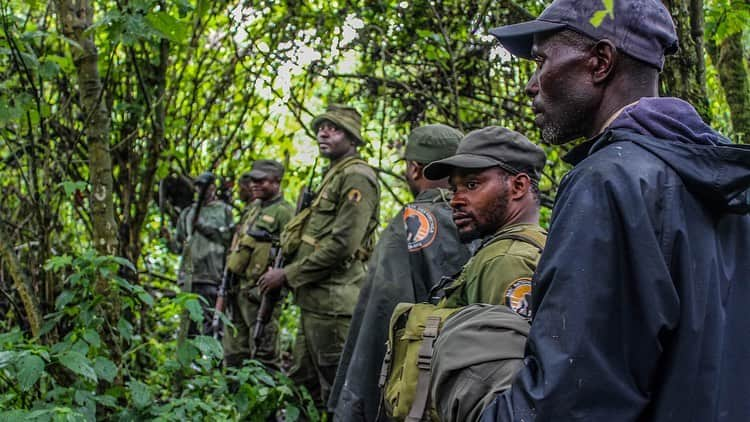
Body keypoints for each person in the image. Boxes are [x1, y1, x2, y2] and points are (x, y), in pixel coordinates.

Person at [481, 0, 750, 420]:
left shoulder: (610, 182)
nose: (532, 85)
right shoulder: (722, 178)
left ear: (600, 62)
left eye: (541, 61)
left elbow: (571, 399)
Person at [329, 124, 473, 421]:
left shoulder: (409, 223)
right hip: (464, 380)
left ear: (415, 168)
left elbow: (380, 316)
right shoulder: (480, 219)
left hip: (408, 388)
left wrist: (352, 406)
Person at [258, 104, 381, 411]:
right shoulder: (333, 174)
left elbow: (342, 245)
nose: (323, 132)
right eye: (321, 127)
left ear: (352, 138)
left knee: (340, 393)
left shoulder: (356, 177)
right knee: (302, 384)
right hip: (315, 302)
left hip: (334, 306)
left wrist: (288, 275)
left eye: (334, 128)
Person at [423, 126, 547, 313]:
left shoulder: (507, 260)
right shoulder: (538, 244)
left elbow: (506, 342)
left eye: (471, 185)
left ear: (518, 186)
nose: (455, 200)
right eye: (454, 189)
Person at [222, 160, 293, 368]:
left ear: (277, 181)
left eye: (261, 181)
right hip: (239, 289)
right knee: (235, 350)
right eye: (252, 180)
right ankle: (235, 396)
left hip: (261, 293)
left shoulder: (284, 212)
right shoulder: (252, 209)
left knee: (264, 353)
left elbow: (290, 252)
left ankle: (266, 397)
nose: (254, 184)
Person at [165, 172, 234, 334]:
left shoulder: (224, 211)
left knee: (212, 327)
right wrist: (168, 239)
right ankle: (189, 359)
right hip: (189, 278)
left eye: (206, 187)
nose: (201, 190)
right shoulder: (187, 213)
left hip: (213, 277)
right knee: (188, 328)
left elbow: (230, 240)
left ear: (213, 188)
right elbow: (178, 247)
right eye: (199, 187)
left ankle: (212, 359)